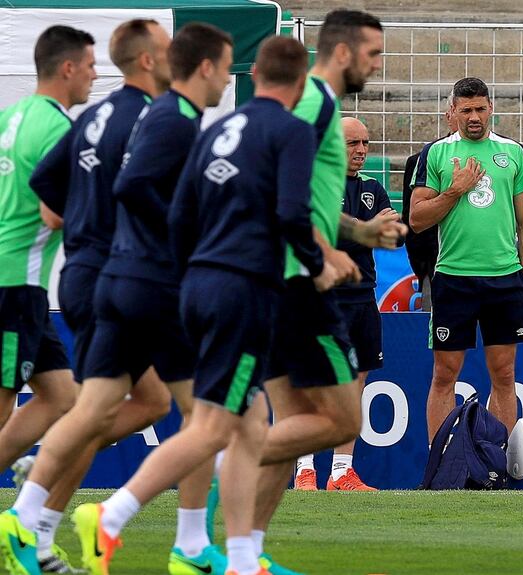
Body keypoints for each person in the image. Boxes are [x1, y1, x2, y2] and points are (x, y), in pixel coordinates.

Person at [74, 35, 333, 575]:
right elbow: (291, 213)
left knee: (249, 422)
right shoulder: (291, 130)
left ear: (255, 74)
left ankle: (239, 557)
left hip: (195, 285)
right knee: (214, 427)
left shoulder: (214, 130)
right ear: (302, 81)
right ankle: (110, 515)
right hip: (243, 289)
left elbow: (179, 214)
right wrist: (316, 263)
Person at [6, 22, 234, 575]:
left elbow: (48, 183)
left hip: (96, 273)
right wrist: (149, 236)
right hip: (129, 273)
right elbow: (133, 190)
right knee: (204, 407)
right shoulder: (153, 117)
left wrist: (88, 226)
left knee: (108, 406)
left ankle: (35, 512)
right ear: (150, 60)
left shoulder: (96, 114)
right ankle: (184, 541)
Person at [233, 11, 403, 573]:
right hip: (294, 284)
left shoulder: (310, 106)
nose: (376, 68)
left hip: (277, 277)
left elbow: (306, 199)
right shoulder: (314, 106)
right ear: (345, 52)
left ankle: (244, 555)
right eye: (373, 55)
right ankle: (211, 460)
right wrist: (321, 255)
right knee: (342, 421)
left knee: (297, 423)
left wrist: (359, 233)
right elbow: (284, 197)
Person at [0, 24, 94, 574]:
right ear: (65, 69)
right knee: (5, 408)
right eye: (87, 66)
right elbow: (54, 214)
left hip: (22, 284)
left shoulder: (10, 118)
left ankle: (25, 522)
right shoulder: (59, 128)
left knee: (66, 400)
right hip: (14, 283)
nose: (92, 75)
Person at [409, 76, 523, 440]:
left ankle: (497, 464)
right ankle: (441, 466)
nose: (474, 116)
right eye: (466, 110)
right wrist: (454, 190)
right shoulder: (436, 153)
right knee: (444, 375)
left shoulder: (512, 152)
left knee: (504, 374)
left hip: (505, 279)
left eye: (481, 108)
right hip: (454, 276)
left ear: (491, 108)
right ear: (452, 112)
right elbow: (417, 220)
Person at [293, 116, 403, 492]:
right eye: (352, 144)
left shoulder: (374, 187)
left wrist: (368, 231)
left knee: (356, 384)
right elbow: (321, 239)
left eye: (365, 144)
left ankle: (341, 471)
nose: (360, 151)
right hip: (321, 297)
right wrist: (368, 228)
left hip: (363, 297)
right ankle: (304, 469)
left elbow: (392, 239)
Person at [401, 106, 457, 312]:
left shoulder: (496, 157)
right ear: (450, 115)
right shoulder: (421, 159)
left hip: (485, 269)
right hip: (434, 266)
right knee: (436, 331)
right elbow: (411, 219)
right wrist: (423, 268)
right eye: (463, 111)